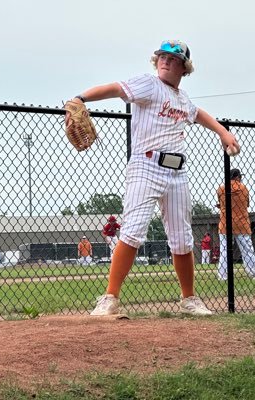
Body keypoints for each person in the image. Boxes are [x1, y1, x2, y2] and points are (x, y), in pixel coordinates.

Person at [71, 39, 240, 316]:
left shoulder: (183, 99)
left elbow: (199, 115)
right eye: (162, 56)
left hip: (177, 172)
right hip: (145, 166)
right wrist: (81, 98)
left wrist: (223, 133)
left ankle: (189, 299)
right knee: (133, 230)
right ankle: (110, 297)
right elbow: (115, 88)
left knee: (182, 238)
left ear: (184, 68)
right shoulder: (149, 84)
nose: (166, 61)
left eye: (173, 59)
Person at [216, 168, 255, 280]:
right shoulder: (244, 188)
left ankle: (223, 276)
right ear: (237, 177)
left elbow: (222, 203)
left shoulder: (221, 188)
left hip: (225, 223)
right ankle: (254, 274)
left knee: (224, 251)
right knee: (248, 250)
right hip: (241, 224)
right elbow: (246, 204)